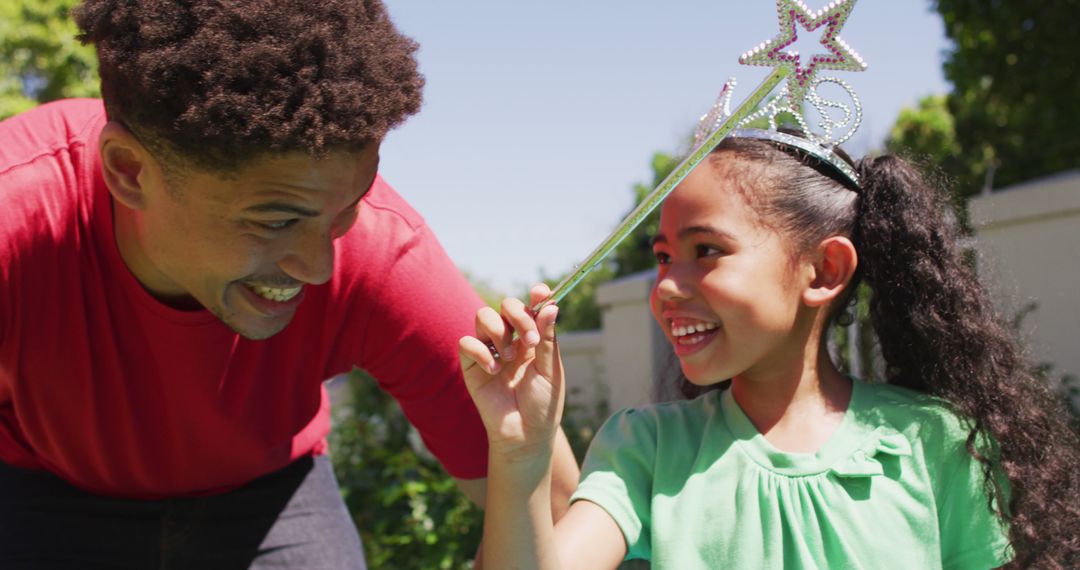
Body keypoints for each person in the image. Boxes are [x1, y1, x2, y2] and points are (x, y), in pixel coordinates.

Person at [0, 1, 579, 568]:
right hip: (41, 485)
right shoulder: (15, 215)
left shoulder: (378, 251)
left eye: (346, 209)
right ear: (129, 171)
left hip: (274, 492)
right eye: (275, 221)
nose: (320, 266)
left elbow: (552, 506)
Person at [459, 133, 1080, 568]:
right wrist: (521, 450)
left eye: (707, 251)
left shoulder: (932, 442)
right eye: (662, 257)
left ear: (824, 269)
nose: (666, 288)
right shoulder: (645, 451)